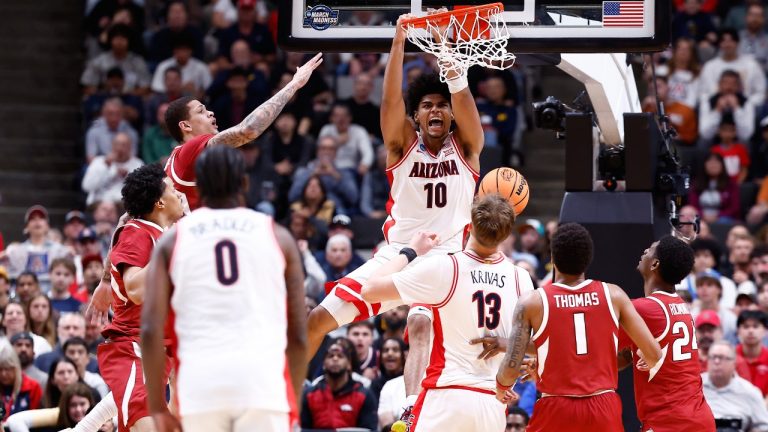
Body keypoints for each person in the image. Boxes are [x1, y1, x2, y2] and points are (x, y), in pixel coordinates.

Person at [307, 11, 486, 423]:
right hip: (400, 253)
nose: (436, 110)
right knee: (319, 318)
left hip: (450, 259)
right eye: (427, 106)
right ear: (416, 116)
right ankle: (282, 390)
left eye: (442, 106)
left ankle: (409, 410)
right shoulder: (401, 145)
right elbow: (390, 101)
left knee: (422, 325)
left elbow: (463, 100)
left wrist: (449, 58)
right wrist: (399, 41)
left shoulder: (468, 148)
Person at [142, 146, 307, 432]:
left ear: (200, 186)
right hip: (262, 384)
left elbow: (150, 331)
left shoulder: (172, 242)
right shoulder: (279, 237)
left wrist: (157, 407)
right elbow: (298, 336)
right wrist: (291, 403)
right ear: (244, 183)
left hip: (201, 385)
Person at [361, 195, 534, 431]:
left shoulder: (445, 267)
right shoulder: (521, 278)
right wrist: (510, 348)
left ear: (469, 225)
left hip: (446, 396)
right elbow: (538, 342)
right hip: (492, 402)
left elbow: (369, 290)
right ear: (507, 234)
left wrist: (411, 251)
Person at [495, 223, 662, 431]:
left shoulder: (532, 302)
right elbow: (654, 353)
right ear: (588, 259)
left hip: (556, 406)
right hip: (603, 406)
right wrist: (638, 358)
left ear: (553, 259)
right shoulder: (614, 294)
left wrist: (502, 387)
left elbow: (511, 368)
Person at [162, 53, 322, 212]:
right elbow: (248, 130)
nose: (210, 112)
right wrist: (294, 84)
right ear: (186, 126)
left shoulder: (179, 157)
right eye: (201, 111)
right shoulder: (190, 149)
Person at [90, 163, 184, 432]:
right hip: (133, 349)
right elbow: (136, 289)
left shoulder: (162, 235)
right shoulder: (137, 232)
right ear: (159, 202)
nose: (178, 194)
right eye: (172, 189)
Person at [616, 236, 715, 431]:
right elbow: (621, 359)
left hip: (670, 421)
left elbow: (599, 351)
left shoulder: (643, 309)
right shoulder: (680, 305)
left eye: (650, 249)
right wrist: (634, 354)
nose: (645, 251)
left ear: (655, 264)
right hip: (699, 417)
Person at [300, 339, 378, 430]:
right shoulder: (309, 394)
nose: (335, 359)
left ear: (349, 364)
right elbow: (301, 429)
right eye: (330, 356)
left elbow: (368, 430)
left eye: (340, 356)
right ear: (324, 364)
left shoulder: (364, 395)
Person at [702, 340, 768, 431]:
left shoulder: (750, 392)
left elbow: (763, 427)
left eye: (722, 358)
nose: (716, 362)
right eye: (713, 357)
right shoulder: (694, 387)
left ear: (734, 363)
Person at [6, 382, 95, 432]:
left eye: (82, 404)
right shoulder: (58, 414)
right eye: (73, 405)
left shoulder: (102, 418)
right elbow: (14, 421)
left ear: (90, 404)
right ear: (65, 407)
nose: (78, 409)